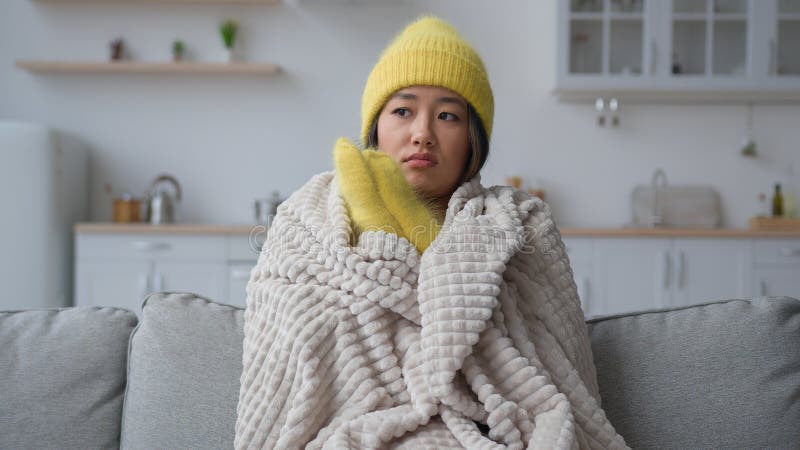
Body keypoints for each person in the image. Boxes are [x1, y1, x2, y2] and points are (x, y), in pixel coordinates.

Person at [235, 15, 628, 449]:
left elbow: (551, 366)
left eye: (447, 116)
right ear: (376, 128)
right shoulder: (305, 218)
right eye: (402, 111)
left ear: (473, 139)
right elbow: (287, 340)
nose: (422, 134)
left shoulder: (521, 222)